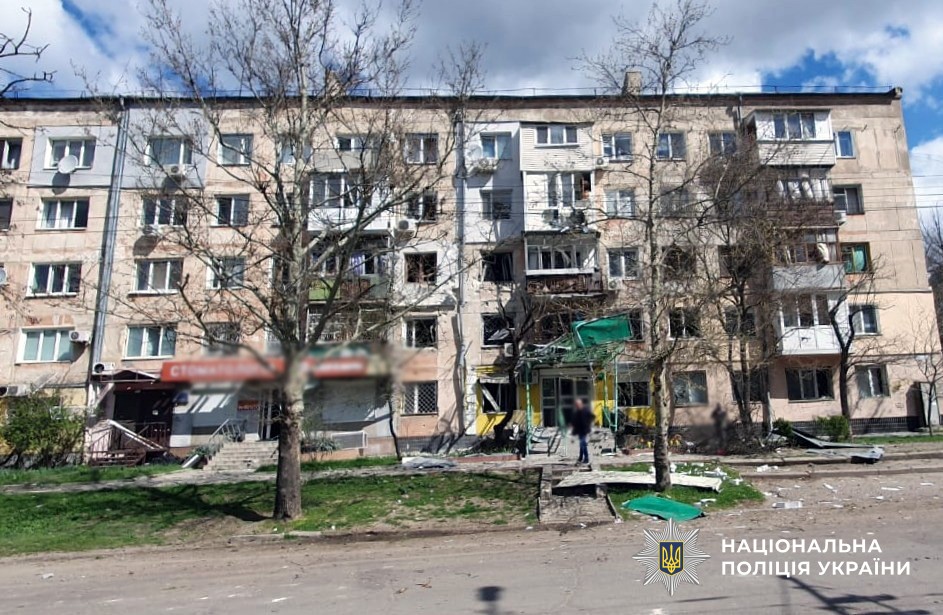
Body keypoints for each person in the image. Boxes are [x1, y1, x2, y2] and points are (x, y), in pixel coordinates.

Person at [571, 398, 594, 465]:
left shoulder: (585, 410)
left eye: (578, 405)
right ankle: (580, 457)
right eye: (576, 405)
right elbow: (575, 422)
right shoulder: (577, 412)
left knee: (583, 444)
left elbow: (592, 417)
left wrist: (588, 424)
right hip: (580, 430)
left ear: (581, 404)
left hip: (585, 430)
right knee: (581, 444)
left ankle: (586, 459)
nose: (577, 406)